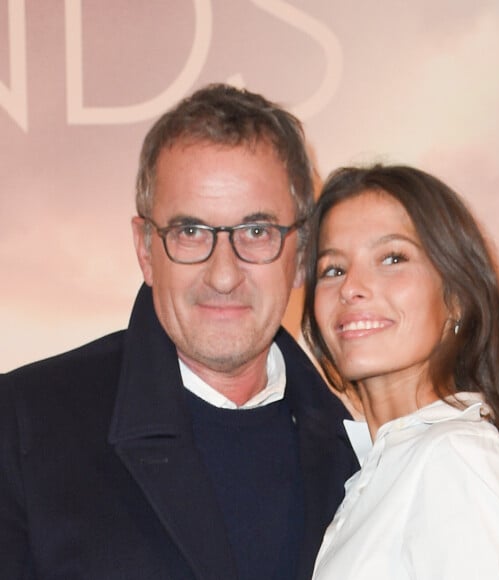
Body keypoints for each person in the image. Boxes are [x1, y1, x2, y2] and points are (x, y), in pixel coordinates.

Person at [0, 84, 358, 580]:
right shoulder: (23, 427)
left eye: (256, 232)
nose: (224, 274)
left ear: (300, 255)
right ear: (146, 249)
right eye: (191, 233)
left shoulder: (361, 452)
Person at [301, 164, 499, 579]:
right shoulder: (379, 471)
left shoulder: (454, 455)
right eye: (333, 269)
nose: (351, 287)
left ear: (458, 298)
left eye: (392, 258)